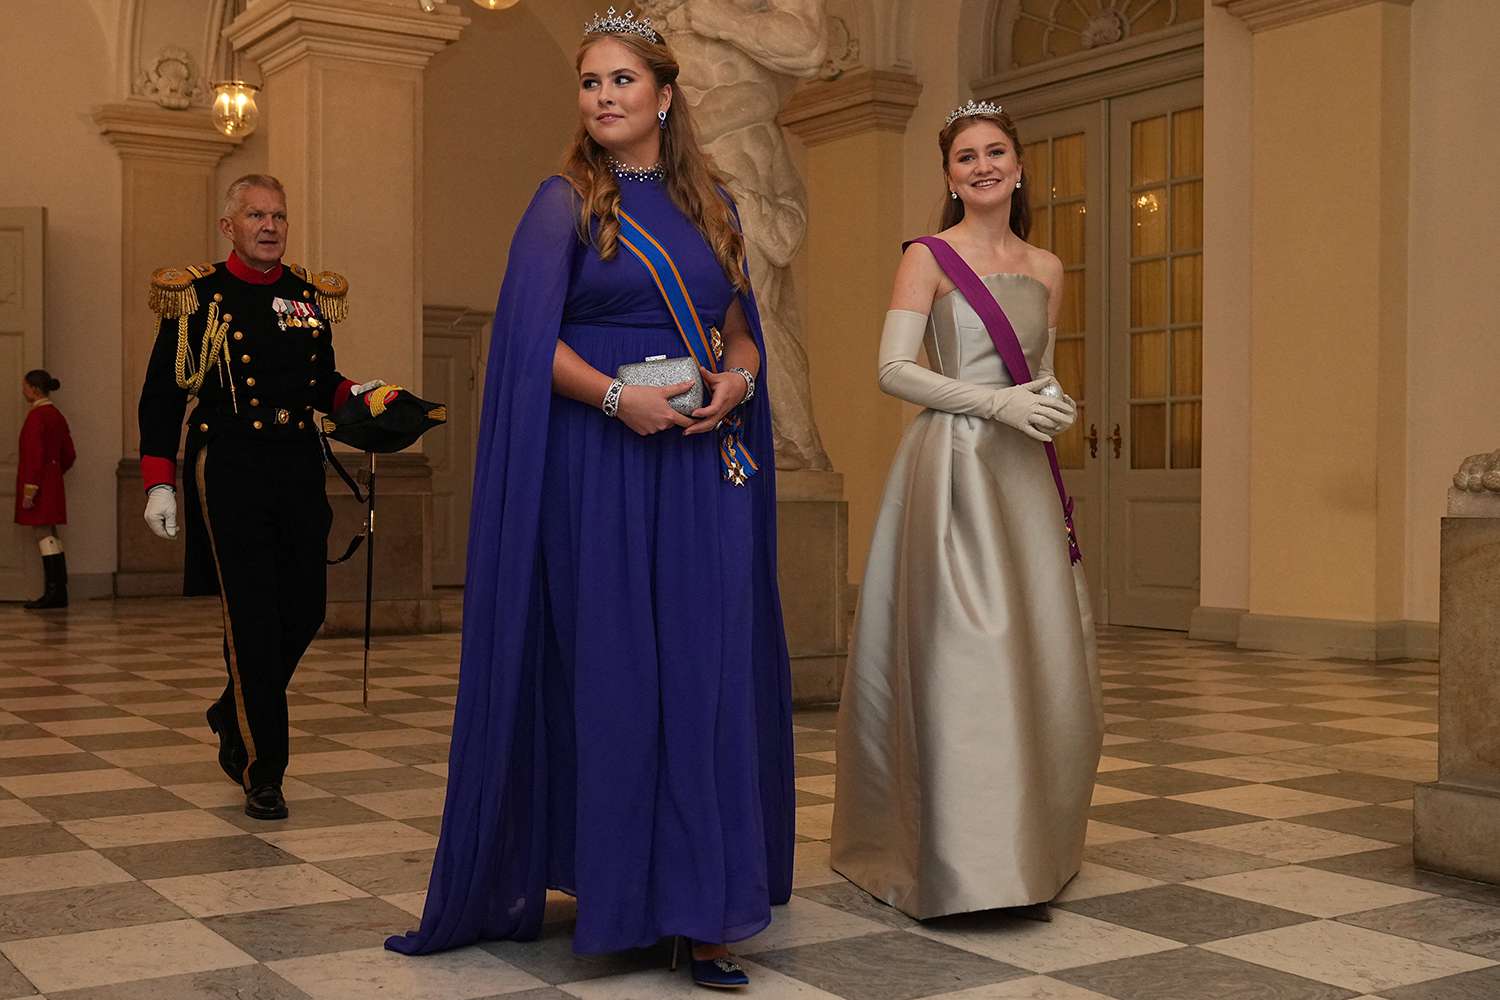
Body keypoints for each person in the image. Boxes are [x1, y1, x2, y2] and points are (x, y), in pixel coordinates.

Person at [386, 9, 795, 990]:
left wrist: (737, 381)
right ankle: (621, 894)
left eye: (622, 80)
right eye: (590, 82)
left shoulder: (715, 205)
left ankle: (702, 911)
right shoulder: (561, 201)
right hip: (600, 466)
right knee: (617, 673)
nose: (604, 97)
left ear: (663, 94)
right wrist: (621, 396)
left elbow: (739, 325)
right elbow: (529, 343)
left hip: (701, 465)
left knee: (703, 673)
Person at [830, 100, 1102, 921]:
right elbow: (893, 370)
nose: (981, 167)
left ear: (1020, 168)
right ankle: (956, 858)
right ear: (949, 177)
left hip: (1021, 471)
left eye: (995, 153)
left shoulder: (1049, 267)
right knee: (962, 649)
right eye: (964, 158)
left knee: (1036, 650)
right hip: (951, 464)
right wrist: (995, 406)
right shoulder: (928, 257)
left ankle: (1031, 848)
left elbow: (1041, 372)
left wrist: (1055, 405)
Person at [138, 173, 384, 822]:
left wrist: (370, 401)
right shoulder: (197, 297)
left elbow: (321, 382)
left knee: (303, 609)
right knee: (250, 618)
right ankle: (261, 768)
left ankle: (230, 708)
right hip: (230, 466)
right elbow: (163, 396)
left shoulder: (308, 296)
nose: (270, 226)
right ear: (230, 227)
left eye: (278, 215)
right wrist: (158, 481)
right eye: (256, 216)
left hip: (298, 461)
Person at [15, 369, 76, 609]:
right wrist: (53, 474)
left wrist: (30, 492)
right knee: (51, 535)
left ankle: (54, 591)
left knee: (43, 533)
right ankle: (59, 589)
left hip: (38, 484)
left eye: (25, 386)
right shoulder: (56, 416)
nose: (23, 390)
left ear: (34, 389)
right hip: (52, 482)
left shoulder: (36, 418)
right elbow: (69, 455)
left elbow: (33, 457)